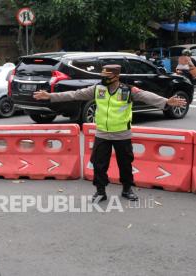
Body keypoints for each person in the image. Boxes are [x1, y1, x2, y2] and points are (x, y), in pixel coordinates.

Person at [33, 64, 187, 202]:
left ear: (116, 77)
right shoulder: (97, 89)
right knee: (99, 165)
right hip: (102, 134)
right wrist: (50, 96)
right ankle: (100, 191)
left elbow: (147, 96)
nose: (104, 79)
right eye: (103, 76)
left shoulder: (128, 90)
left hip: (122, 134)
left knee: (125, 164)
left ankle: (127, 189)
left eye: (107, 77)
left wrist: (166, 102)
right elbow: (74, 94)